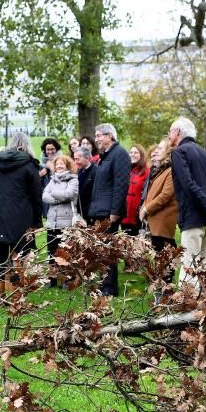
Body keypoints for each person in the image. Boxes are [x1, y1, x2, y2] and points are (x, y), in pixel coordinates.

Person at [0, 132, 42, 292]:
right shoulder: (30, 165)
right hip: (19, 215)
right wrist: (37, 222)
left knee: (1, 253)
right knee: (18, 256)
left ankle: (0, 296)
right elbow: (36, 195)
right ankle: (14, 295)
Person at [169, 117, 206, 291]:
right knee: (205, 264)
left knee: (189, 264)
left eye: (170, 131)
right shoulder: (205, 153)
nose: (169, 135)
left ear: (177, 132)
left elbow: (188, 185)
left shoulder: (179, 153)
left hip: (193, 217)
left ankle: (186, 308)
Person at [87, 123, 130, 296]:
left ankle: (110, 288)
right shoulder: (105, 156)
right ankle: (103, 284)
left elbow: (121, 185)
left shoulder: (119, 154)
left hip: (109, 212)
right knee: (101, 250)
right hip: (99, 210)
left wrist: (115, 212)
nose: (96, 139)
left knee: (108, 251)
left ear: (109, 136)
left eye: (99, 135)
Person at [139, 139, 178, 288]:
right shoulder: (161, 170)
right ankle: (160, 288)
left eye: (161, 148)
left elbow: (166, 195)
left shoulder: (171, 170)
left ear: (168, 152)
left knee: (165, 254)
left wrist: (146, 209)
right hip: (155, 220)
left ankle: (166, 288)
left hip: (163, 220)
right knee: (158, 255)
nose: (157, 150)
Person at [41, 154, 79, 287]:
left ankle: (67, 279)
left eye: (62, 163)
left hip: (66, 222)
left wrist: (54, 193)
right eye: (57, 164)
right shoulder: (52, 180)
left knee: (65, 252)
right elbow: (45, 196)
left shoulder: (73, 180)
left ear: (68, 165)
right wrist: (59, 197)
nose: (59, 166)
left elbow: (70, 194)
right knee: (51, 251)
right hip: (52, 222)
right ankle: (52, 279)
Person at [123, 144, 150, 238]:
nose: (132, 154)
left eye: (136, 152)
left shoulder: (147, 171)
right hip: (125, 213)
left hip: (138, 214)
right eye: (131, 152)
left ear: (141, 155)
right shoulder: (126, 169)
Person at [74, 147, 96, 219]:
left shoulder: (96, 172)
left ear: (87, 158)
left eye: (78, 159)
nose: (75, 162)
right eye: (75, 159)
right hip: (80, 213)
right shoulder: (77, 171)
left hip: (91, 213)